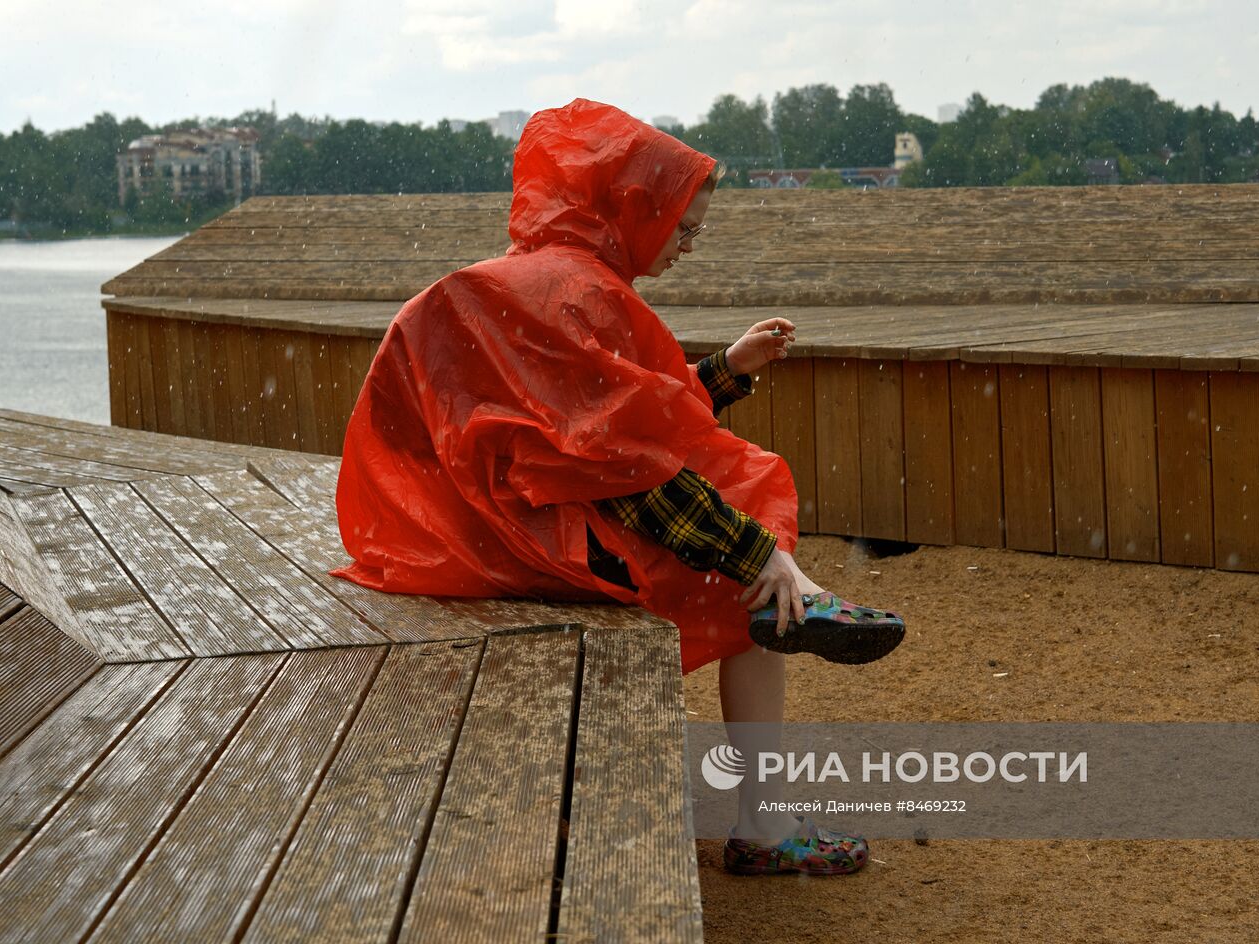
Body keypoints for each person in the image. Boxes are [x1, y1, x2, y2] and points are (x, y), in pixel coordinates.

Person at [333, 98, 904, 876]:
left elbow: (615, 426)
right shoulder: (582, 296)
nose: (689, 247)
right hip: (493, 545)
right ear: (634, 207)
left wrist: (722, 373)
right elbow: (625, 469)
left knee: (742, 535)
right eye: (685, 228)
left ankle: (789, 599)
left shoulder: (544, 278)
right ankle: (765, 817)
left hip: (431, 525)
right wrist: (756, 555)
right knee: (746, 575)